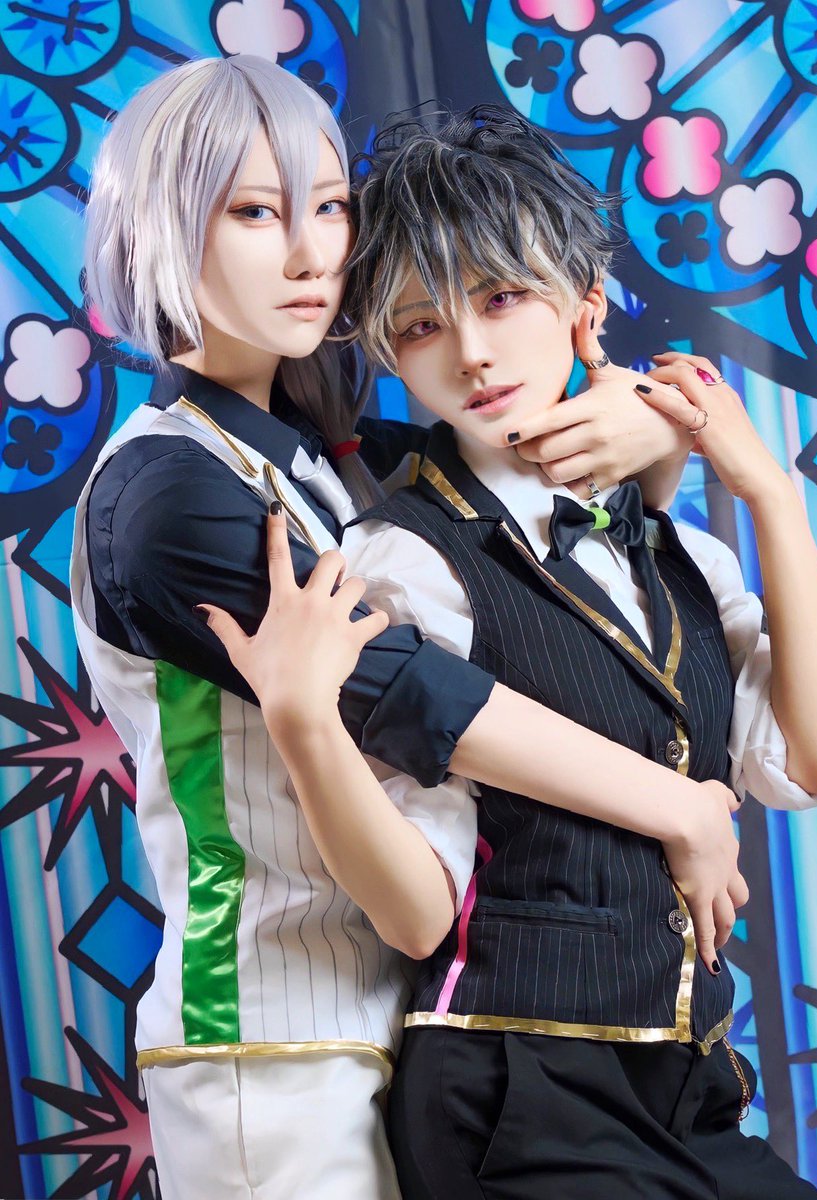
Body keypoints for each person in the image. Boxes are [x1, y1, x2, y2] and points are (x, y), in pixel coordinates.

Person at [73, 58, 749, 1199]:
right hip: (265, 1044)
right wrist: (677, 804)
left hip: (394, 1018)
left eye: (330, 207)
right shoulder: (164, 495)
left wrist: (652, 422)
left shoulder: (311, 452)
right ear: (160, 228)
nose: (309, 253)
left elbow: (512, 461)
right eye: (255, 213)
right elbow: (412, 694)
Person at [252, 107, 817, 1197]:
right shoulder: (406, 559)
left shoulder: (676, 551)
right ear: (387, 352)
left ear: (585, 304)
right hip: (513, 1091)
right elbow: (418, 911)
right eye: (422, 324)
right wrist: (304, 726)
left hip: (687, 1087)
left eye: (500, 297)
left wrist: (766, 489)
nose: (471, 354)